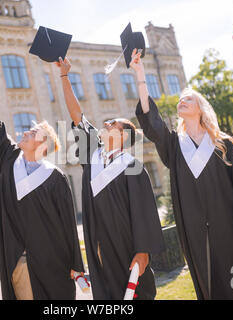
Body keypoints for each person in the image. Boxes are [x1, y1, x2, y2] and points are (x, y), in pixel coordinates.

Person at [131, 48, 233, 299]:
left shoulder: (222, 144)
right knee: (209, 283)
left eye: (188, 99)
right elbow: (153, 122)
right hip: (195, 230)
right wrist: (140, 73)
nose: (181, 101)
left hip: (229, 228)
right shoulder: (174, 145)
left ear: (201, 108)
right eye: (180, 100)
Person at [0, 57, 84, 300]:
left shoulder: (55, 177)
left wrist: (76, 263)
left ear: (43, 144)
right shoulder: (9, 160)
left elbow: (68, 225)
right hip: (18, 262)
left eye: (31, 133)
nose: (24, 133)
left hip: (54, 263)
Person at [56, 57, 164, 300]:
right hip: (100, 247)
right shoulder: (92, 154)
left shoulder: (132, 166)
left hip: (128, 248)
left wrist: (143, 251)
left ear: (125, 136)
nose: (105, 123)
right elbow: (76, 114)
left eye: (112, 123)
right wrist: (64, 76)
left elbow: (145, 212)